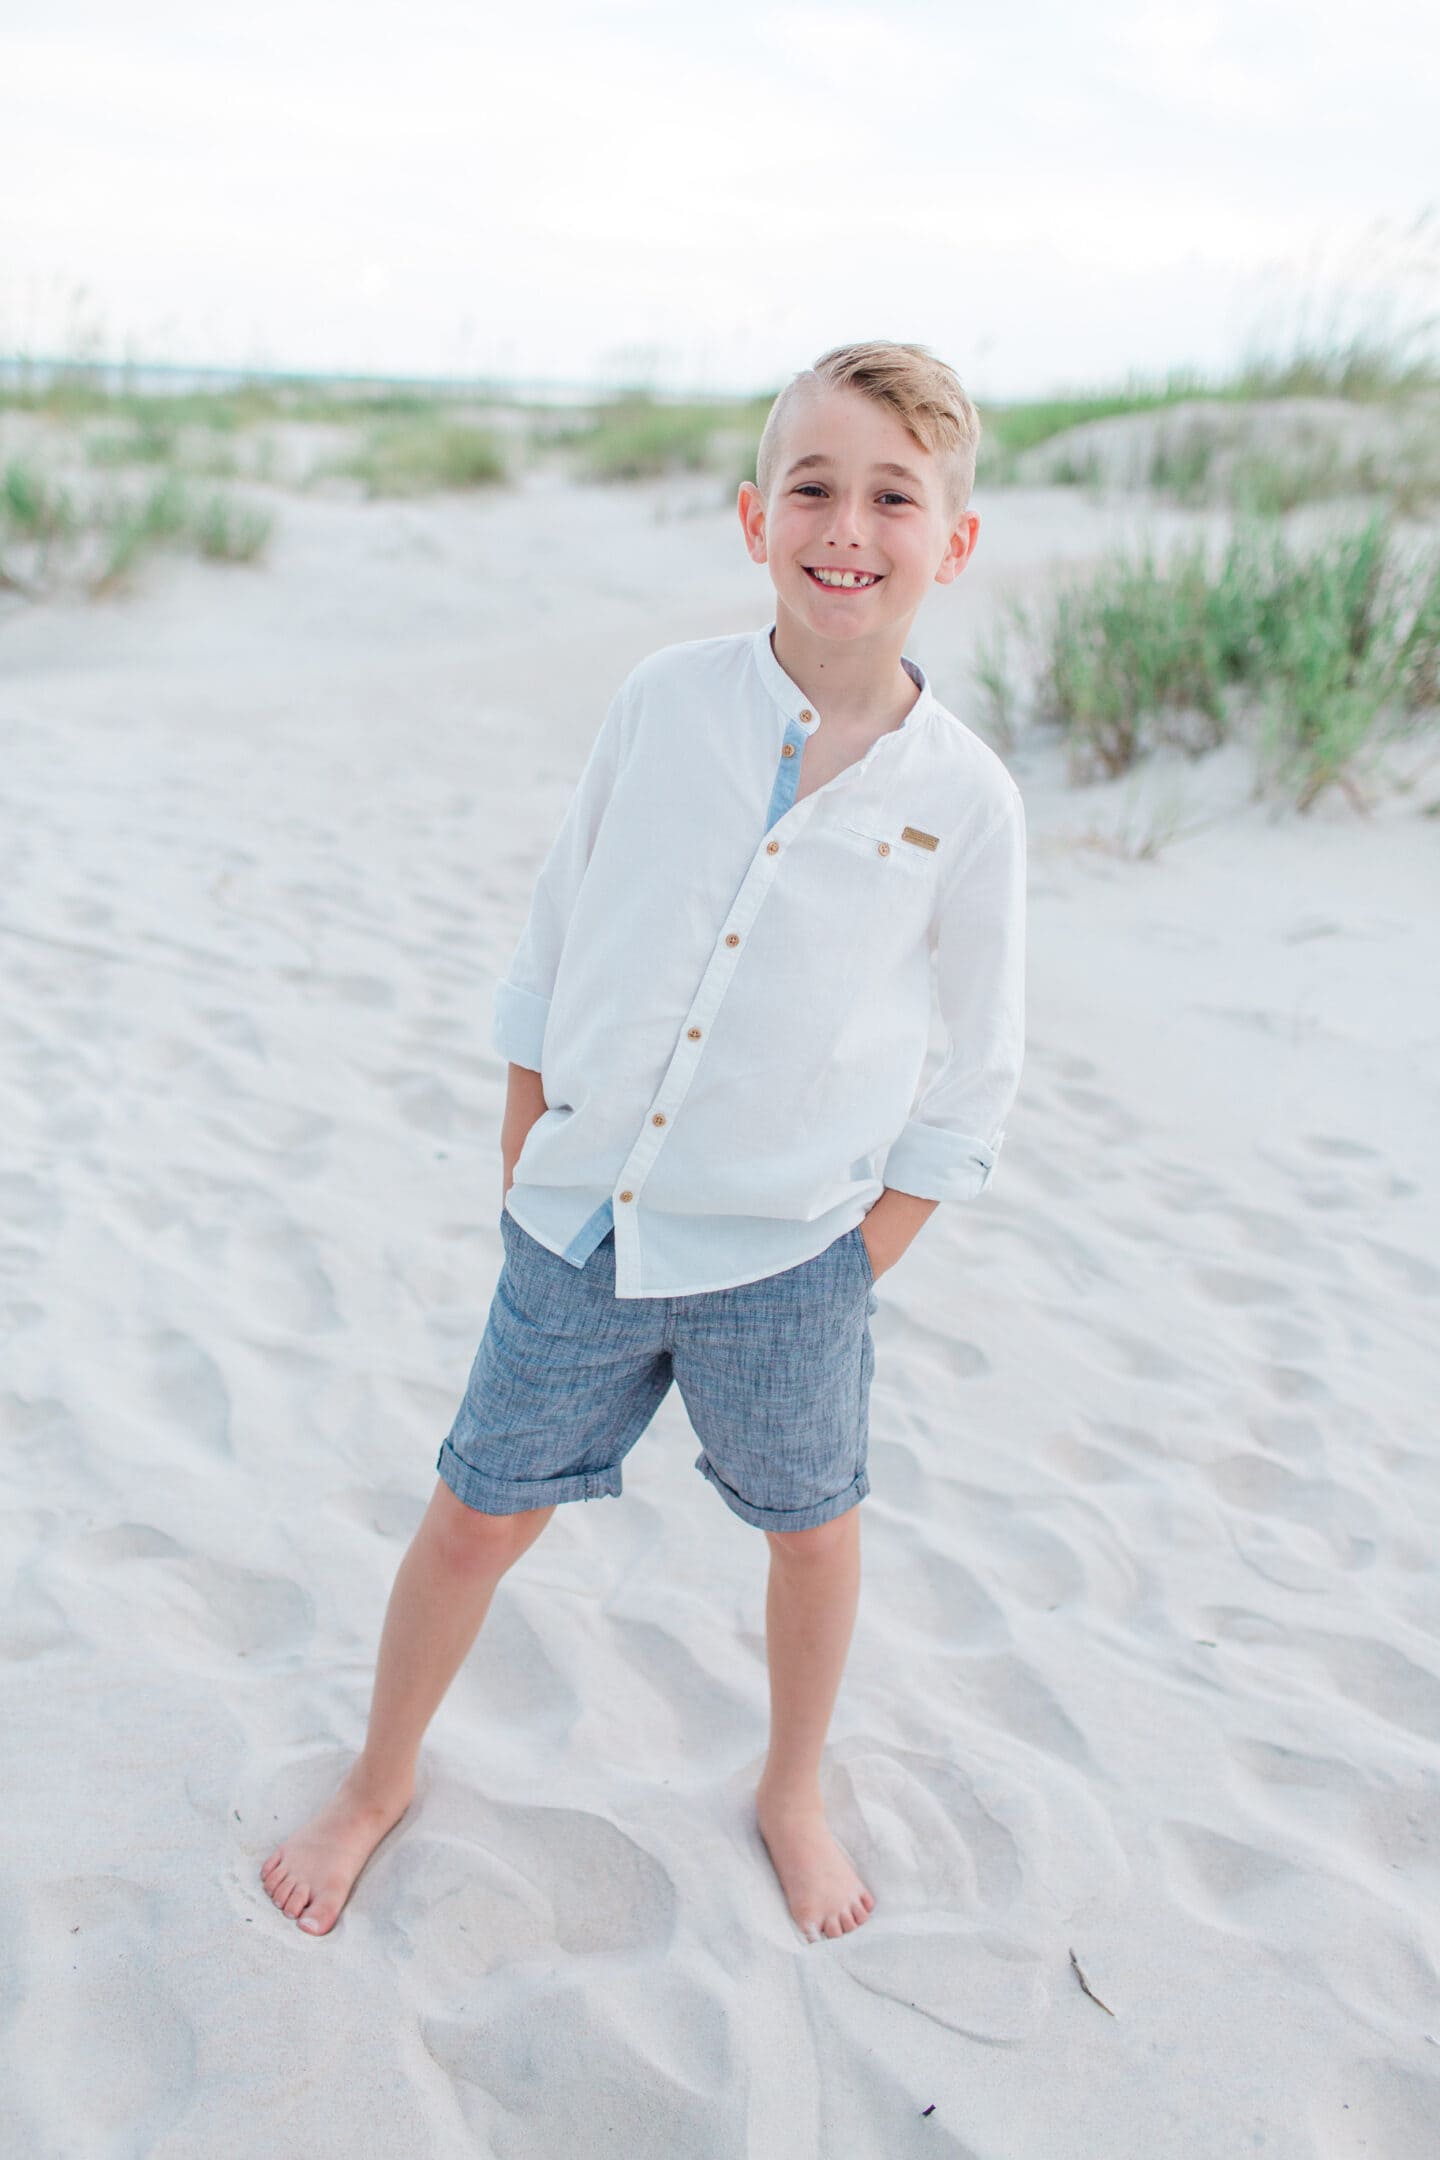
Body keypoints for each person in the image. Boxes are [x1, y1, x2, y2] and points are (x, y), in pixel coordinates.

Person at [261, 339, 1027, 1945]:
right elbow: (558, 927)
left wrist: (850, 1263)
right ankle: (379, 1773)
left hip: (791, 1263)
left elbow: (974, 1077)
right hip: (582, 1226)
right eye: (812, 485)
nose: (847, 523)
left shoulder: (965, 801)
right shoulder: (660, 703)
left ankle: (790, 1787)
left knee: (813, 1535)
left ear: (950, 543)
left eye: (894, 496)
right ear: (756, 517)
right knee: (477, 1510)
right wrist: (527, 1130)